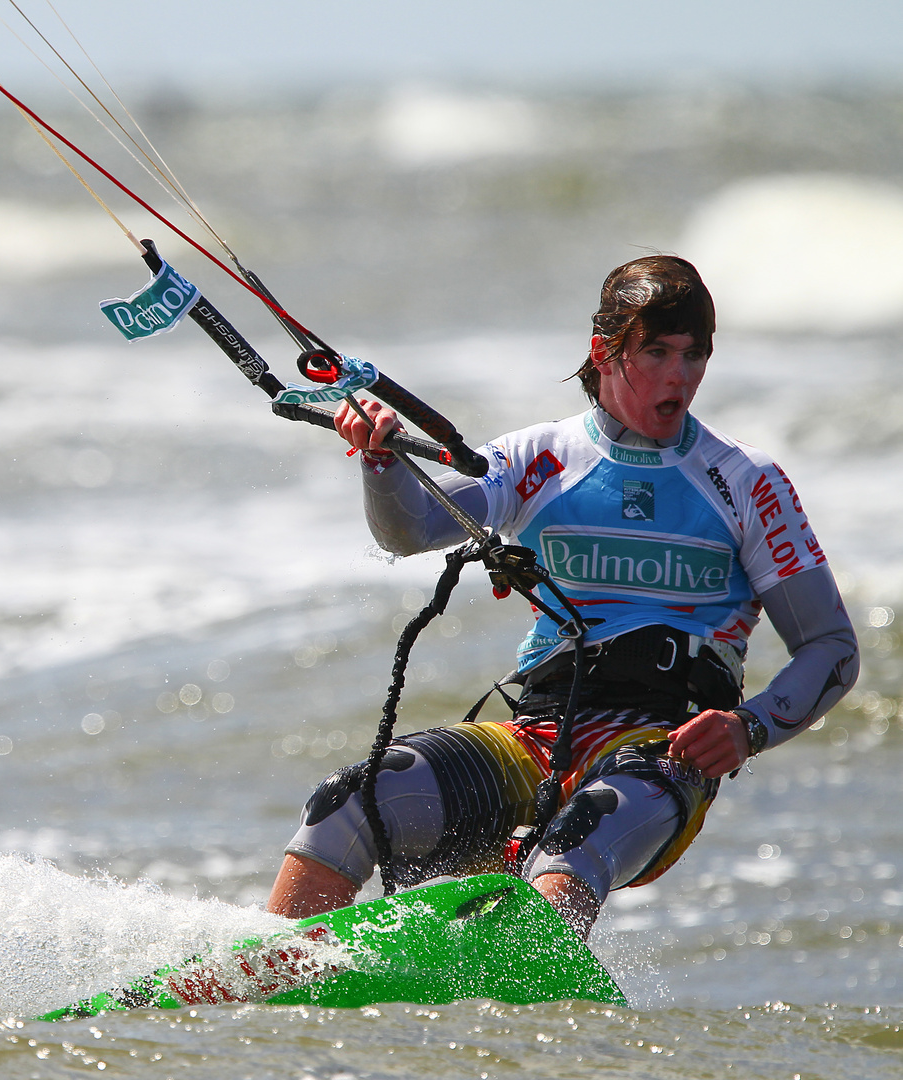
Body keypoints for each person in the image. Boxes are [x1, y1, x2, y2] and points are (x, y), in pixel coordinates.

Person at [265, 256, 859, 937]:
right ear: (604, 352)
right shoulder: (540, 458)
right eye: (658, 352)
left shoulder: (745, 482)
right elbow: (411, 530)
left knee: (574, 845)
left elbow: (831, 649)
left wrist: (746, 728)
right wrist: (379, 460)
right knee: (350, 798)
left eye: (694, 355)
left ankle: (523, 1008)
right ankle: (276, 970)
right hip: (538, 734)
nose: (680, 376)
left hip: (665, 749)